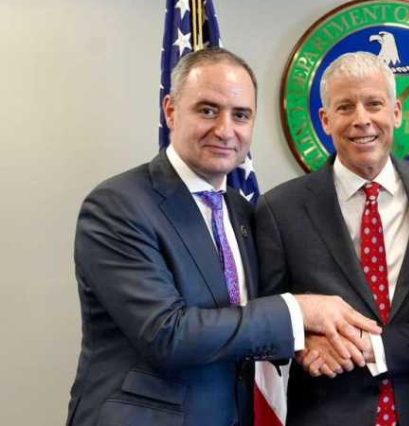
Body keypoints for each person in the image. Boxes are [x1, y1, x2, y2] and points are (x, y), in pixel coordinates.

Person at [66, 48, 379, 426]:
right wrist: (299, 311)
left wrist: (306, 339)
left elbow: (247, 322)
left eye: (241, 115)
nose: (225, 130)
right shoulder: (118, 206)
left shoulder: (241, 211)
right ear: (170, 111)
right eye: (208, 110)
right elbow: (168, 335)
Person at [255, 52, 409, 426]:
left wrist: (373, 347)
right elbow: (265, 320)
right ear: (325, 120)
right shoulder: (280, 209)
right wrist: (303, 341)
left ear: (397, 111)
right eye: (345, 107)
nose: (362, 119)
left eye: (374, 104)